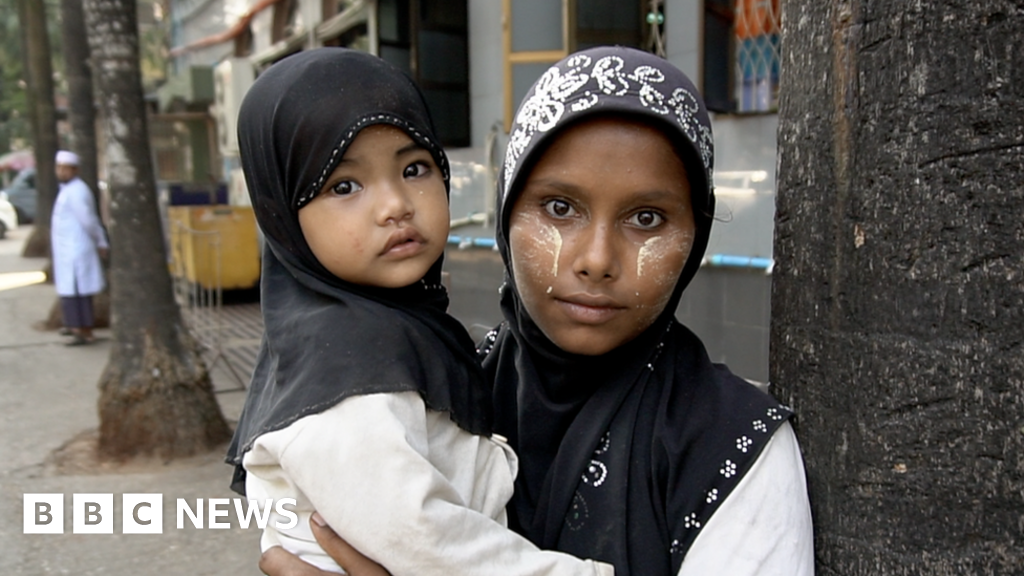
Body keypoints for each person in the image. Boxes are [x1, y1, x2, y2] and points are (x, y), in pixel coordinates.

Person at [261, 46, 814, 576]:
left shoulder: (730, 447)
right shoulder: (430, 396)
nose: (596, 260)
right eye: (559, 207)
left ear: (694, 235)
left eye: (646, 218)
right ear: (505, 212)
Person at [227, 48, 612, 576]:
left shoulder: (390, 329)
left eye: (414, 168)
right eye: (344, 185)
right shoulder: (345, 372)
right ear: (282, 214)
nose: (395, 205)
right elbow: (426, 540)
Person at [51, 150, 108, 346]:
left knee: (79, 291)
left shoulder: (77, 191)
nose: (61, 172)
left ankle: (84, 331)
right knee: (71, 291)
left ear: (74, 170)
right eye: (58, 168)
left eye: (64, 168)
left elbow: (89, 220)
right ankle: (75, 327)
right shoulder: (68, 190)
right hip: (68, 250)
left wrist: (101, 241)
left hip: (77, 248)